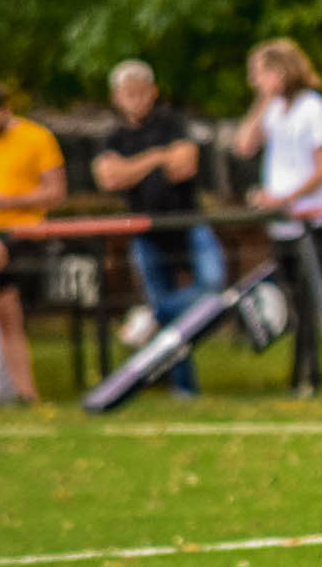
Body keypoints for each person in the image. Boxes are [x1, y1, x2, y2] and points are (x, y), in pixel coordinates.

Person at [91, 60, 225, 397]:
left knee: (213, 288)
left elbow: (184, 165)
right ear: (117, 97)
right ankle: (184, 389)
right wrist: (157, 158)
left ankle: (152, 314)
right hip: (146, 232)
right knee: (173, 322)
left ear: (153, 92)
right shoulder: (113, 136)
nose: (136, 99)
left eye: (141, 91)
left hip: (188, 223)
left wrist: (132, 166)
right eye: (128, 93)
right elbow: (109, 178)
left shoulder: (172, 122)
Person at [232, 38, 322, 397]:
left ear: (282, 70)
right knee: (294, 303)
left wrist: (283, 200)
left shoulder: (315, 110)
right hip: (281, 224)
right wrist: (263, 100)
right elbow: (244, 145)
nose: (255, 81)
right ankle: (304, 377)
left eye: (261, 74)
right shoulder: (273, 109)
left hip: (309, 221)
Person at [0, 82, 64, 403]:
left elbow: (56, 193)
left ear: (5, 109)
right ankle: (27, 395)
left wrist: (5, 201)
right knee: (9, 319)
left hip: (23, 231)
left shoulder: (37, 137)